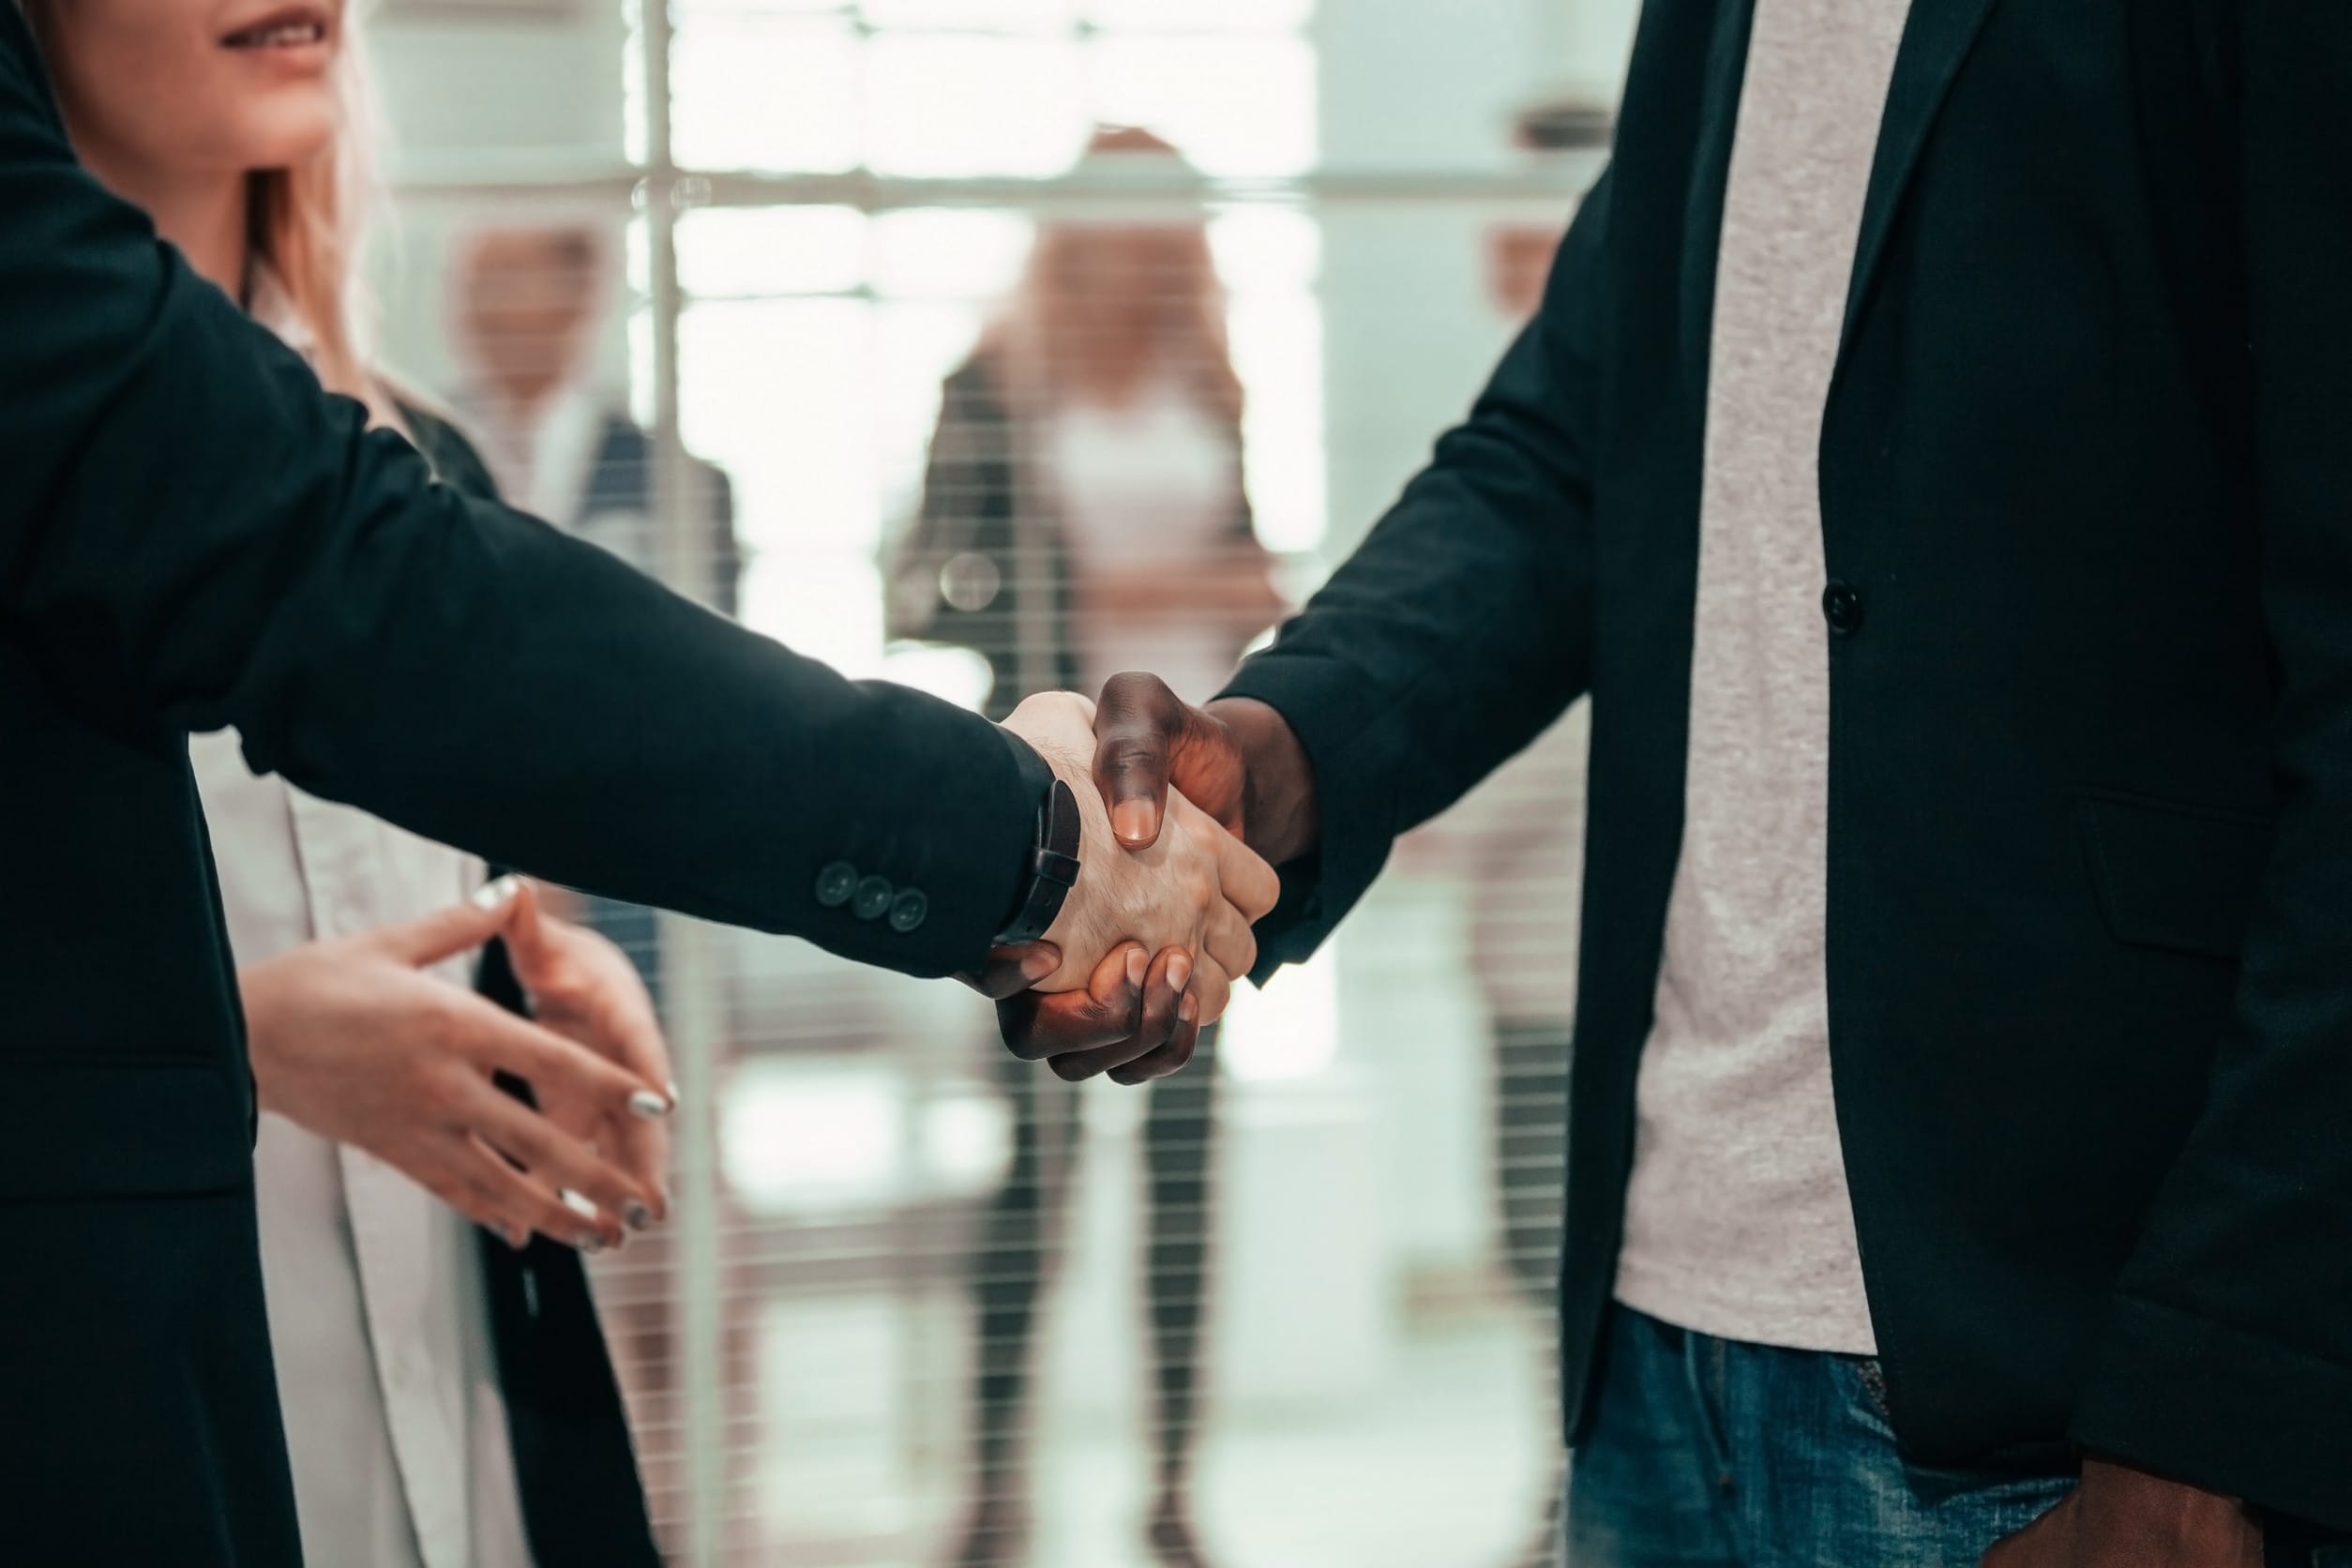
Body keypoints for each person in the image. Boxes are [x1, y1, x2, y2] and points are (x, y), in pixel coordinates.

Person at [1011, 3, 2352, 1564]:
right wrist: (1265, 756)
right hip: (1655, 1355)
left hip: (2058, 1387)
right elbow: (1563, 459)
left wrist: (2213, 1411)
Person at [0, 5, 1274, 1561]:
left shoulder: (431, 469)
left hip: (458, 1383)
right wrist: (244, 1040)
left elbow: (489, 803)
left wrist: (530, 984)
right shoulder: (242, 512)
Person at [889, 126, 1285, 1568]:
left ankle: (1173, 1488)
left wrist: (1212, 590)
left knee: (1188, 1166)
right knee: (1032, 1173)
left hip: (1194, 822)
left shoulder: (1210, 376)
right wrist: (1088, 592)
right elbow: (925, 576)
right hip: (1056, 816)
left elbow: (1250, 563)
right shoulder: (995, 380)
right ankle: (993, 1488)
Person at [448, 220, 744, 1018]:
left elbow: (710, 693)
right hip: (449, 851)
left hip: (632, 861)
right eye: (472, 286)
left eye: (507, 282)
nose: (481, 312)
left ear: (580, 301)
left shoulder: (680, 483)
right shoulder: (406, 459)